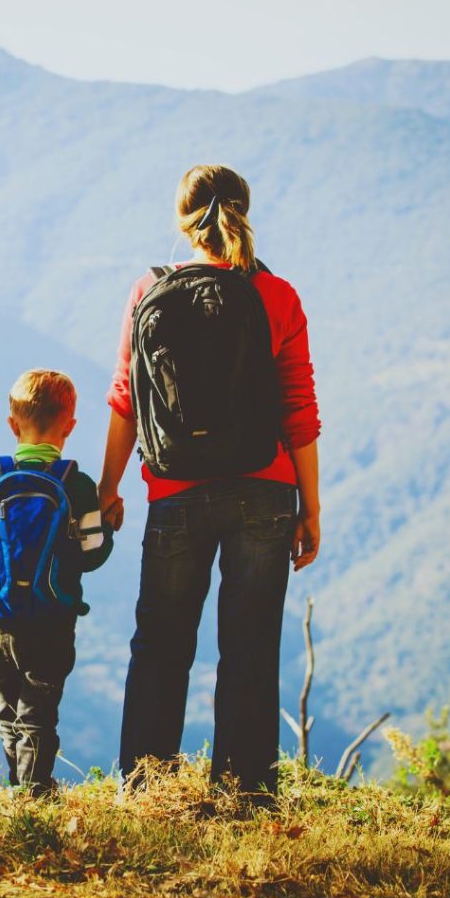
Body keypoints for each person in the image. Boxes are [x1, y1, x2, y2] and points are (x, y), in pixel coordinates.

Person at [98, 164, 321, 799]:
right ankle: (245, 792)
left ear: (181, 220)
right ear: (245, 212)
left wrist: (108, 488)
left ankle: (146, 788)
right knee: (249, 645)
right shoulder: (276, 294)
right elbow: (298, 406)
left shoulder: (149, 289)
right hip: (265, 489)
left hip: (175, 490)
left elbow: (125, 398)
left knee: (161, 642)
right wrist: (311, 506)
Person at [0, 370, 114, 796]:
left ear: (12, 424)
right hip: (54, 618)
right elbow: (93, 557)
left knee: (7, 708)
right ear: (69, 425)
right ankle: (33, 792)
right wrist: (108, 526)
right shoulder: (79, 486)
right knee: (40, 709)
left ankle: (20, 784)